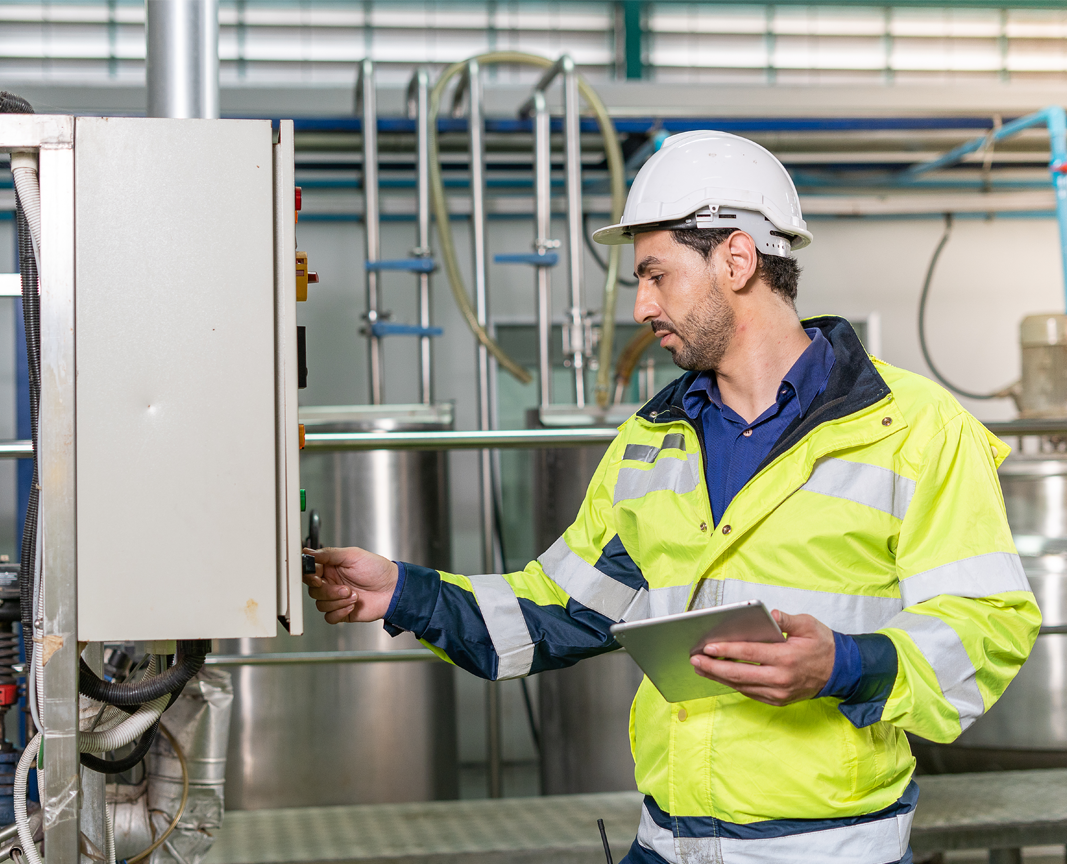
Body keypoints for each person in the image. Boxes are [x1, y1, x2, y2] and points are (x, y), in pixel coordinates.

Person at [304, 131, 1039, 864]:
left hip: (831, 849)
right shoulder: (651, 442)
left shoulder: (914, 429)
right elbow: (559, 609)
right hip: (668, 844)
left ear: (737, 259)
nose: (642, 305)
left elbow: (987, 627)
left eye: (656, 275)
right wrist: (403, 592)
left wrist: (846, 665)